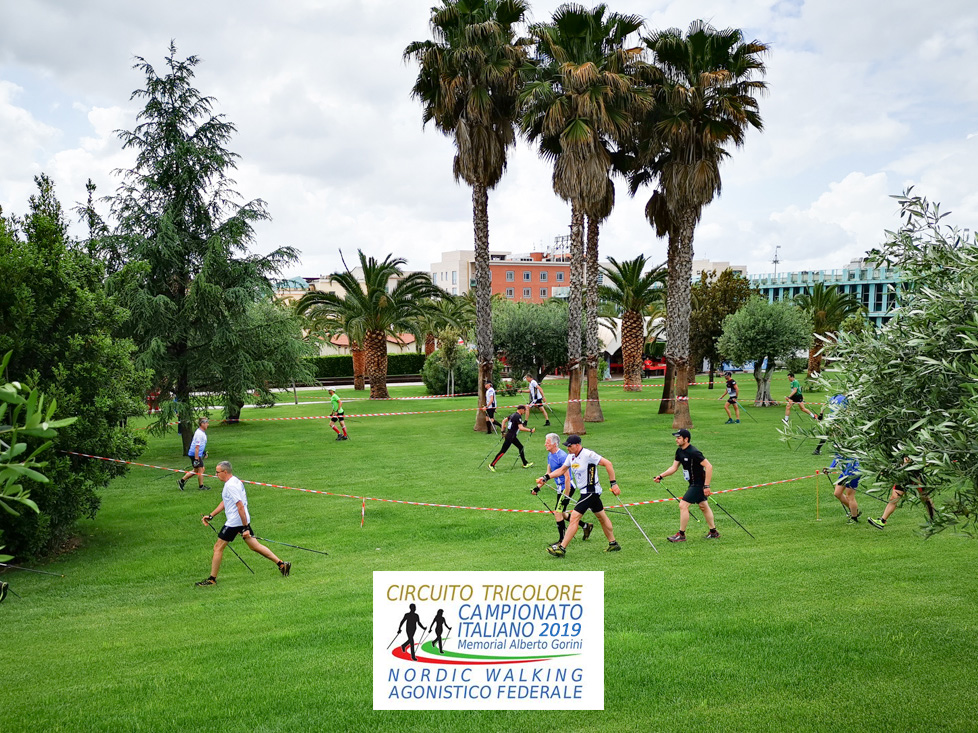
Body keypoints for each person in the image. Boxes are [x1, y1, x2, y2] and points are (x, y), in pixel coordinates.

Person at [196, 461, 291, 586]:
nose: (216, 474)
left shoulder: (231, 486)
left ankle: (212, 579)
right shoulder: (235, 481)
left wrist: (245, 527)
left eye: (217, 472)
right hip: (241, 520)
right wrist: (212, 515)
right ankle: (281, 564)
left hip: (235, 522)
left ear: (225, 472)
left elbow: (240, 505)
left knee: (218, 547)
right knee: (254, 546)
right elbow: (226, 502)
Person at [536, 435, 621, 556]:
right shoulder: (570, 457)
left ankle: (562, 548)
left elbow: (608, 464)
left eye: (570, 446)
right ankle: (613, 544)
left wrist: (614, 484)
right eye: (567, 446)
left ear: (577, 445)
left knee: (574, 517)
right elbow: (561, 470)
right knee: (602, 517)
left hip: (591, 491)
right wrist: (545, 477)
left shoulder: (588, 454)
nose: (568, 448)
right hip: (584, 492)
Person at [654, 429, 720, 542]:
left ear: (686, 439)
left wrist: (707, 486)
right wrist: (661, 476)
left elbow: (709, 466)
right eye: (676, 437)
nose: (676, 440)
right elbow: (674, 468)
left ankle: (681, 535)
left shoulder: (694, 452)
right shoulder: (679, 451)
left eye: (679, 438)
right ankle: (713, 532)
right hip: (693, 483)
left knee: (683, 505)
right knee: (703, 506)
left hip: (698, 484)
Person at [534, 432, 593, 543]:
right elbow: (548, 474)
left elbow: (567, 477)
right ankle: (585, 525)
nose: (545, 445)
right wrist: (537, 487)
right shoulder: (550, 455)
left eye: (547, 443)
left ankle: (562, 541)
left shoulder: (561, 456)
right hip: (560, 488)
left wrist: (566, 494)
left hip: (567, 487)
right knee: (563, 513)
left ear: (554, 444)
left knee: (558, 512)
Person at [869, 459, 935, 529]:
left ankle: (933, 520)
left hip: (916, 475)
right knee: (894, 498)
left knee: (925, 497)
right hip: (902, 476)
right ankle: (882, 521)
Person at [488, 405, 535, 472]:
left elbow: (504, 420)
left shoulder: (513, 415)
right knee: (503, 451)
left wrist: (502, 430)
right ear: (521, 409)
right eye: (524, 410)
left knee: (521, 447)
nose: (524, 412)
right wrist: (530, 430)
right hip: (510, 436)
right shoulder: (517, 416)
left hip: (511, 436)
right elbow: (521, 428)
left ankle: (525, 463)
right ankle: (492, 465)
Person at [827, 454, 861, 523]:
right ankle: (853, 510)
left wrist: (847, 475)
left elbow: (852, 461)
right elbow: (837, 457)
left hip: (853, 472)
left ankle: (854, 518)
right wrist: (830, 469)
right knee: (837, 493)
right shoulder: (838, 445)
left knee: (850, 496)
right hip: (845, 472)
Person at [179, 418, 210, 490]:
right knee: (201, 469)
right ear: (202, 424)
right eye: (206, 423)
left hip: (196, 454)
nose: (208, 425)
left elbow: (201, 445)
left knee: (196, 470)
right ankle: (201, 486)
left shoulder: (201, 432)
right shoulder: (199, 434)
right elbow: (197, 447)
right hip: (195, 454)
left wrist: (203, 452)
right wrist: (196, 459)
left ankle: (182, 481)